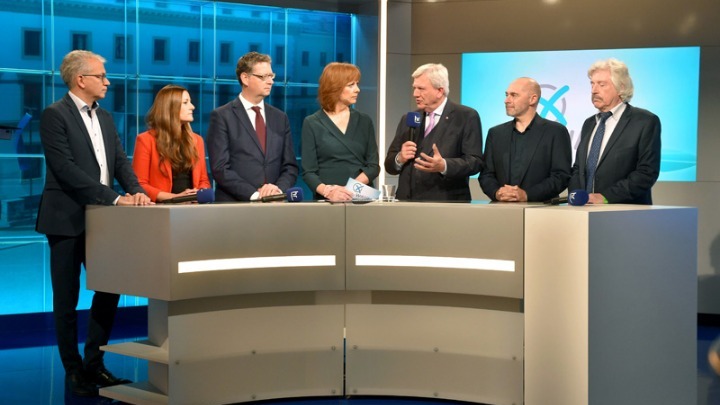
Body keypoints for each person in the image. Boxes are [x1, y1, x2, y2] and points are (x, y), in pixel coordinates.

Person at [35, 50, 152, 397]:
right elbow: (65, 170)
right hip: (66, 219)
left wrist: (137, 191)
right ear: (80, 79)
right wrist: (114, 198)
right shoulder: (54, 115)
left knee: (109, 287)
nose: (107, 81)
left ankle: (94, 363)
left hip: (103, 221)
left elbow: (119, 161)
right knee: (67, 298)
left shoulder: (105, 116)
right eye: (101, 76)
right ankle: (73, 371)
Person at [207, 51, 298, 201]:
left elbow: (290, 166)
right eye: (263, 77)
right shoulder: (222, 116)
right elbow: (220, 168)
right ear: (245, 78)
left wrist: (277, 190)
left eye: (271, 76)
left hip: (275, 203)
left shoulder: (280, 118)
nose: (270, 82)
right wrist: (256, 195)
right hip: (236, 205)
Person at [568, 58, 661, 204]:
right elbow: (578, 169)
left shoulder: (644, 121)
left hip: (624, 211)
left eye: (601, 84)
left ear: (621, 87)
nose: (594, 90)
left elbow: (646, 173)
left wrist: (605, 197)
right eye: (592, 84)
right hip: (584, 211)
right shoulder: (589, 123)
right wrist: (576, 197)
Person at [384, 63, 483, 201]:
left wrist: (444, 165)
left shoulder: (466, 116)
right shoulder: (408, 118)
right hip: (406, 202)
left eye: (421, 89)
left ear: (439, 91)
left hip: (445, 203)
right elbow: (389, 165)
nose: (415, 94)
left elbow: (475, 162)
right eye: (414, 88)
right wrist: (399, 158)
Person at [480, 77, 572, 202]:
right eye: (507, 95)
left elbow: (561, 176)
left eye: (514, 95)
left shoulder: (555, 132)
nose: (506, 100)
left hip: (541, 209)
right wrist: (497, 193)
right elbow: (486, 175)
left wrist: (527, 195)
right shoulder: (495, 133)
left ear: (532, 99)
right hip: (501, 208)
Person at [301, 62, 379, 201]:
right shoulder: (312, 123)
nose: (357, 90)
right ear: (334, 88)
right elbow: (309, 172)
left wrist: (348, 189)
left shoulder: (364, 121)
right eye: (351, 85)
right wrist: (329, 192)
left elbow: (373, 166)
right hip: (327, 199)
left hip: (361, 198)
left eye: (357, 84)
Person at [132, 85, 211, 202]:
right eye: (185, 102)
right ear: (170, 107)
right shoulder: (145, 140)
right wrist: (175, 198)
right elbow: (140, 184)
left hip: (192, 207)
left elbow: (203, 181)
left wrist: (197, 194)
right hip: (162, 208)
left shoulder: (197, 140)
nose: (192, 107)